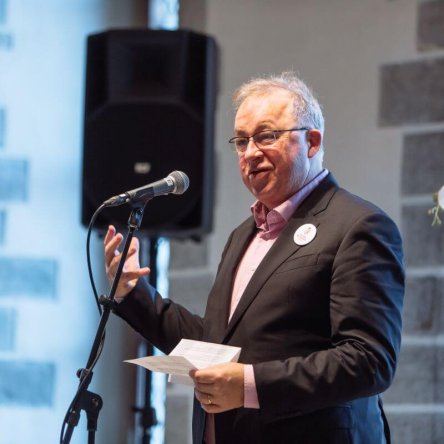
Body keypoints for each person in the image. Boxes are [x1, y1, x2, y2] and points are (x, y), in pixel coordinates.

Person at [104, 72, 404, 444]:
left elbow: (369, 361)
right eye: (242, 141)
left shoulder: (358, 225)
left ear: (312, 142)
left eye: (266, 136)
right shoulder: (243, 235)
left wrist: (250, 385)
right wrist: (134, 293)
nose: (250, 153)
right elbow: (214, 347)